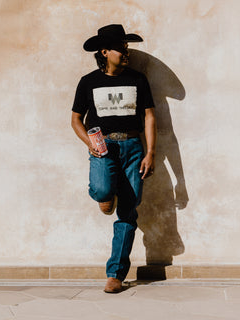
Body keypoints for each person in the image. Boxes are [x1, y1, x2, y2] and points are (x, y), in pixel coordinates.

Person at [71, 24, 156, 293]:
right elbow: (75, 120)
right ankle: (105, 196)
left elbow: (150, 116)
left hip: (133, 146)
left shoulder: (138, 79)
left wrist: (150, 152)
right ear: (105, 52)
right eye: (121, 48)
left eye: (127, 47)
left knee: (128, 211)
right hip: (103, 145)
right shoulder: (88, 82)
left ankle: (116, 274)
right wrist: (90, 143)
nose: (126, 52)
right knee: (102, 189)